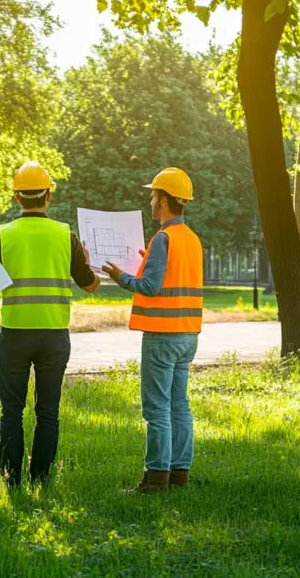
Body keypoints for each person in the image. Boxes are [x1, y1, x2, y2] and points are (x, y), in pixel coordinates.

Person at [0, 161, 101, 487]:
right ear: (48, 196)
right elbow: (91, 285)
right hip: (54, 336)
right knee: (48, 411)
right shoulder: (65, 235)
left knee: (11, 411)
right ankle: (41, 475)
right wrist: (88, 263)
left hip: (14, 335)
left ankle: (10, 477)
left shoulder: (2, 235)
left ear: (16, 197)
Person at [101, 168, 203, 493]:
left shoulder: (164, 238)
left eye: (152, 195)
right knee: (179, 405)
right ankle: (179, 473)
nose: (150, 200)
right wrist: (150, 261)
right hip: (188, 334)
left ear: (162, 200)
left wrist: (119, 276)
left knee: (157, 407)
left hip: (162, 335)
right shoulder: (190, 239)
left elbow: (150, 287)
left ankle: (156, 476)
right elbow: (173, 276)